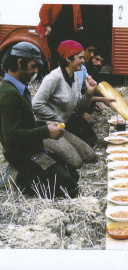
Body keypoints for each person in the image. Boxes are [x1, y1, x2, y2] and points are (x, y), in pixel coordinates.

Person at [0, 42, 79, 198]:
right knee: (69, 190)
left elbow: (25, 124)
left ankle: (28, 175)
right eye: (33, 66)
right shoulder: (9, 94)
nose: (36, 71)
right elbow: (12, 136)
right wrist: (46, 131)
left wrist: (46, 124)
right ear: (19, 63)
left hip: (32, 150)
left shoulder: (18, 87)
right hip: (22, 156)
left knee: (73, 175)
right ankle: (17, 176)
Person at [32, 40, 97, 169]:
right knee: (76, 162)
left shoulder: (76, 79)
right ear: (68, 59)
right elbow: (36, 104)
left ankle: (56, 149)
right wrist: (57, 118)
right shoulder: (53, 78)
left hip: (61, 128)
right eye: (80, 58)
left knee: (90, 156)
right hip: (45, 128)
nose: (83, 60)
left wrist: (89, 93)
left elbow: (78, 110)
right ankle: (39, 149)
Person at [36, 4, 84, 70]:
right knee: (55, 59)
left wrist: (80, 27)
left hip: (69, 33)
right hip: (55, 33)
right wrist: (47, 27)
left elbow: (78, 14)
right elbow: (43, 11)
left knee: (68, 59)